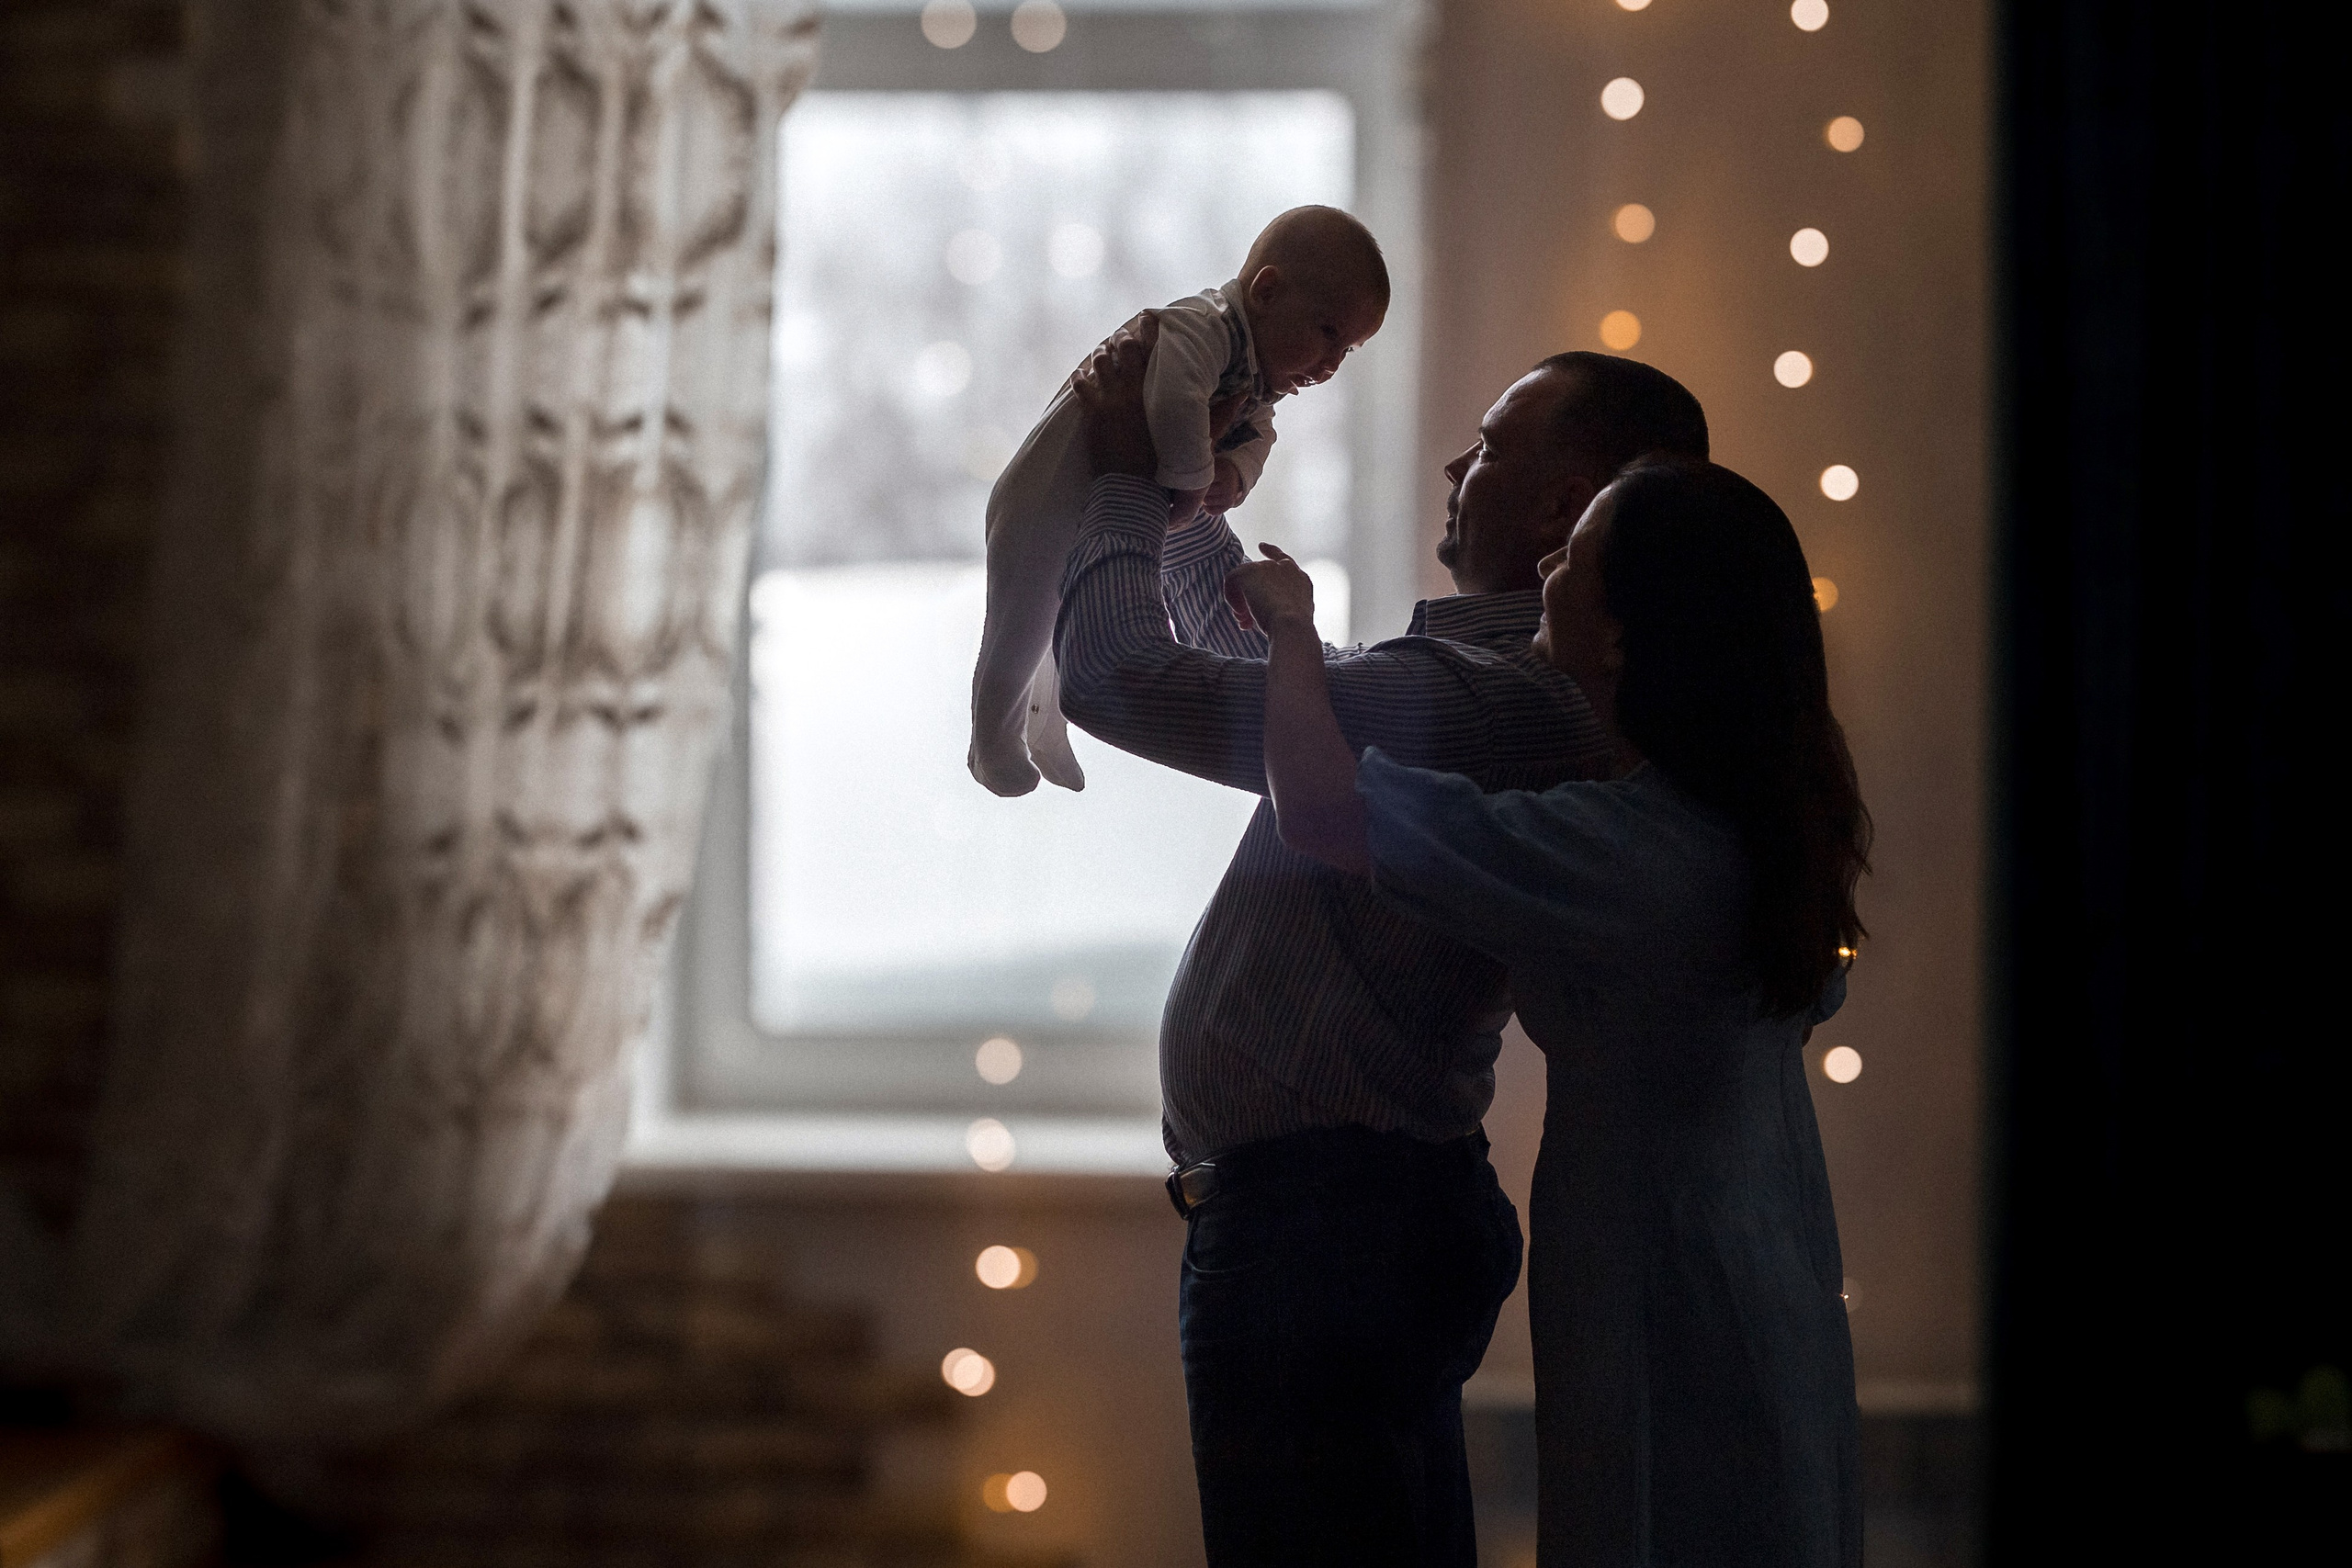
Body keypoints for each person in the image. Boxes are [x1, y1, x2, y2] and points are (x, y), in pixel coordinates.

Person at [1059, 318, 1710, 1564]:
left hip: (1321, 1234)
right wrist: (1194, 512)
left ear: (1566, 503)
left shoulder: (1477, 699)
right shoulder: (1472, 688)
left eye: (1491, 445)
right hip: (1350, 1214)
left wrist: (1121, 479)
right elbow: (1267, 686)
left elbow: (1121, 680)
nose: (1459, 466)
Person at [1227, 459, 1874, 1566]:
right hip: (1765, 1266)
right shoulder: (1752, 821)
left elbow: (1327, 810)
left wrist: (1290, 631)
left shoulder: (1629, 854)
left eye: (1572, 556)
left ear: (1622, 634)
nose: (1541, 567)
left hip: (1658, 1289)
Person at [968, 206, 1390, 797]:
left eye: (1348, 350)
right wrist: (1192, 482)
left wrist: (1234, 476)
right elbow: (1173, 399)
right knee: (1021, 625)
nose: (1330, 365)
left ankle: (1046, 733)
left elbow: (1261, 434)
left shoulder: (1254, 379)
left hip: (1093, 506)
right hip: (1044, 498)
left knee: (1063, 628)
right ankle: (990, 739)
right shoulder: (1204, 328)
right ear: (1266, 290)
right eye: (1327, 333)